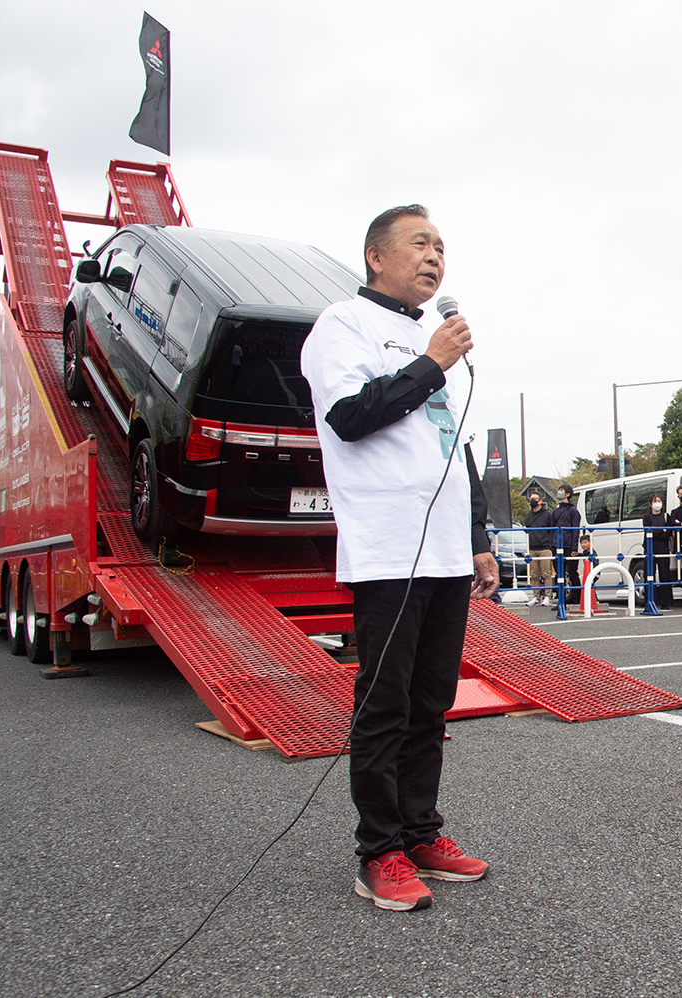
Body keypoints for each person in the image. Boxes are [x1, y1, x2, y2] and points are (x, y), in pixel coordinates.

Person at [301, 204, 495, 912]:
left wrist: (477, 537)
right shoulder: (342, 327)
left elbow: (455, 447)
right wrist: (430, 363)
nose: (435, 255)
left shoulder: (427, 341)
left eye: (442, 245)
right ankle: (378, 850)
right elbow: (350, 418)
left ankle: (420, 833)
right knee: (384, 703)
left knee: (430, 702)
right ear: (376, 255)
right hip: (387, 546)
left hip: (445, 550)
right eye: (420, 242)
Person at [641, 493, 673, 609]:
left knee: (665, 574)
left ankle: (665, 602)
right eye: (654, 501)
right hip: (650, 548)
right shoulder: (646, 517)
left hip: (663, 548)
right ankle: (650, 600)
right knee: (649, 574)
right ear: (650, 504)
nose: (657, 503)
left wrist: (660, 532)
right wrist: (662, 531)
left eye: (659, 501)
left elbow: (668, 532)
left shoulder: (666, 516)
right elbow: (649, 532)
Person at [523, 490, 556, 606]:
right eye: (531, 499)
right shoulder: (528, 516)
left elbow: (552, 530)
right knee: (534, 574)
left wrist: (550, 543)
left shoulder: (547, 515)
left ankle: (548, 596)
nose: (532, 501)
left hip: (544, 547)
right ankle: (536, 596)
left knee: (546, 573)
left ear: (540, 501)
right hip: (532, 547)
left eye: (535, 499)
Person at [550, 484, 582, 597]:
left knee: (572, 572)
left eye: (562, 490)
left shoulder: (573, 511)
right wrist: (552, 543)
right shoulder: (556, 511)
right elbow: (552, 528)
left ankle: (578, 598)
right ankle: (561, 599)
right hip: (557, 544)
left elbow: (575, 530)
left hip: (568, 545)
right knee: (559, 574)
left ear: (567, 494)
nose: (559, 492)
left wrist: (574, 548)